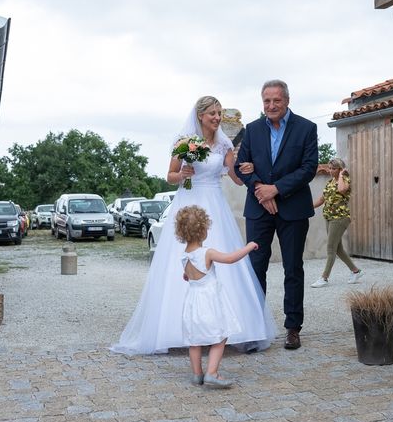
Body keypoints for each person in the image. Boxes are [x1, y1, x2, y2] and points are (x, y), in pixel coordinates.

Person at [110, 96, 276, 355]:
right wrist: (183, 174)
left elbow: (236, 178)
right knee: (182, 258)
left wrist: (245, 168)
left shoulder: (224, 145)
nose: (217, 118)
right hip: (189, 203)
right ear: (200, 115)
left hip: (215, 205)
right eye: (212, 113)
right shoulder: (185, 143)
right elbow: (170, 176)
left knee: (221, 259)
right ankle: (175, 330)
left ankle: (235, 329)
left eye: (219, 113)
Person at [235, 79, 318, 350]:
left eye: (276, 101)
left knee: (293, 268)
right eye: (266, 101)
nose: (271, 106)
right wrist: (261, 189)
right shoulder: (252, 129)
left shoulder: (306, 128)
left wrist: (277, 190)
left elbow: (308, 168)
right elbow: (241, 167)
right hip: (258, 209)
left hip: (293, 208)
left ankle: (293, 328)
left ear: (287, 101)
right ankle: (254, 327)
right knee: (255, 267)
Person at [176, 205, 259, 388]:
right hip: (209, 302)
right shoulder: (207, 252)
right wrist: (248, 247)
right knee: (220, 336)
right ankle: (212, 373)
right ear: (203, 230)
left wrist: (188, 275)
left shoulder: (185, 255)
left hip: (193, 303)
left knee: (194, 340)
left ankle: (197, 374)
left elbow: (188, 275)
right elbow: (230, 258)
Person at [311, 158, 363, 288]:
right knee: (338, 248)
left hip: (340, 218)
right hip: (329, 217)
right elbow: (322, 199)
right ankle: (356, 271)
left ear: (340, 169)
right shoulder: (329, 183)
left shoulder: (345, 181)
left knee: (330, 248)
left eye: (333, 168)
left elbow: (341, 190)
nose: (330, 170)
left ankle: (324, 278)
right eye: (329, 168)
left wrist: (341, 175)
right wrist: (308, 207)